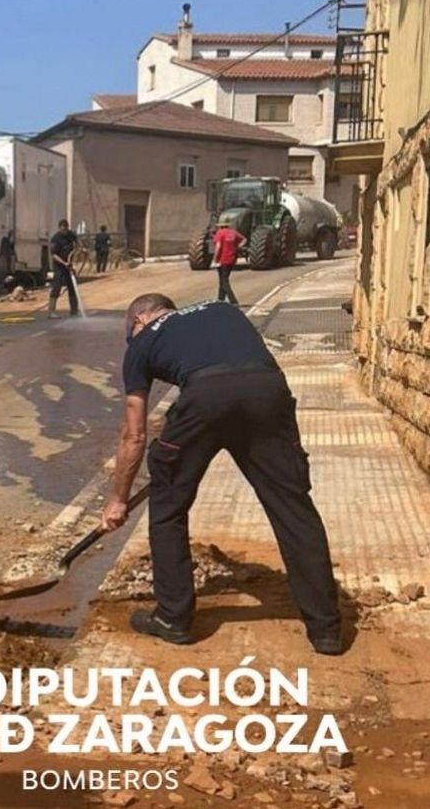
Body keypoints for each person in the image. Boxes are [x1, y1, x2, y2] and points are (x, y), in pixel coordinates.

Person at [101, 294, 343, 655]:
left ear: (139, 319)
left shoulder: (143, 342)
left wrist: (118, 499)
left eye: (130, 332)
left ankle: (173, 618)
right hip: (267, 392)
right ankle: (326, 630)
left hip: (205, 398)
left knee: (168, 508)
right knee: (292, 507)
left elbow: (134, 434)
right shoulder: (222, 309)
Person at [47, 220, 79, 318]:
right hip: (59, 266)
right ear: (60, 228)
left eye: (66, 228)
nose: (65, 230)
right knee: (57, 287)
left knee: (72, 287)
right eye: (63, 228)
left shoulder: (71, 235)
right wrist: (64, 263)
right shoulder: (56, 239)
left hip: (69, 266)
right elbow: (54, 255)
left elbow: (77, 243)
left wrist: (80, 249)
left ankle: (74, 311)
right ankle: (51, 312)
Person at [211, 220, 247, 305]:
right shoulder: (233, 232)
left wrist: (215, 258)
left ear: (220, 226)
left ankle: (233, 301)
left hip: (222, 260)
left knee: (224, 281)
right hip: (232, 259)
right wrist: (237, 247)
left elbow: (218, 246)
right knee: (222, 280)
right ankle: (221, 300)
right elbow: (244, 239)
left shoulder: (220, 233)